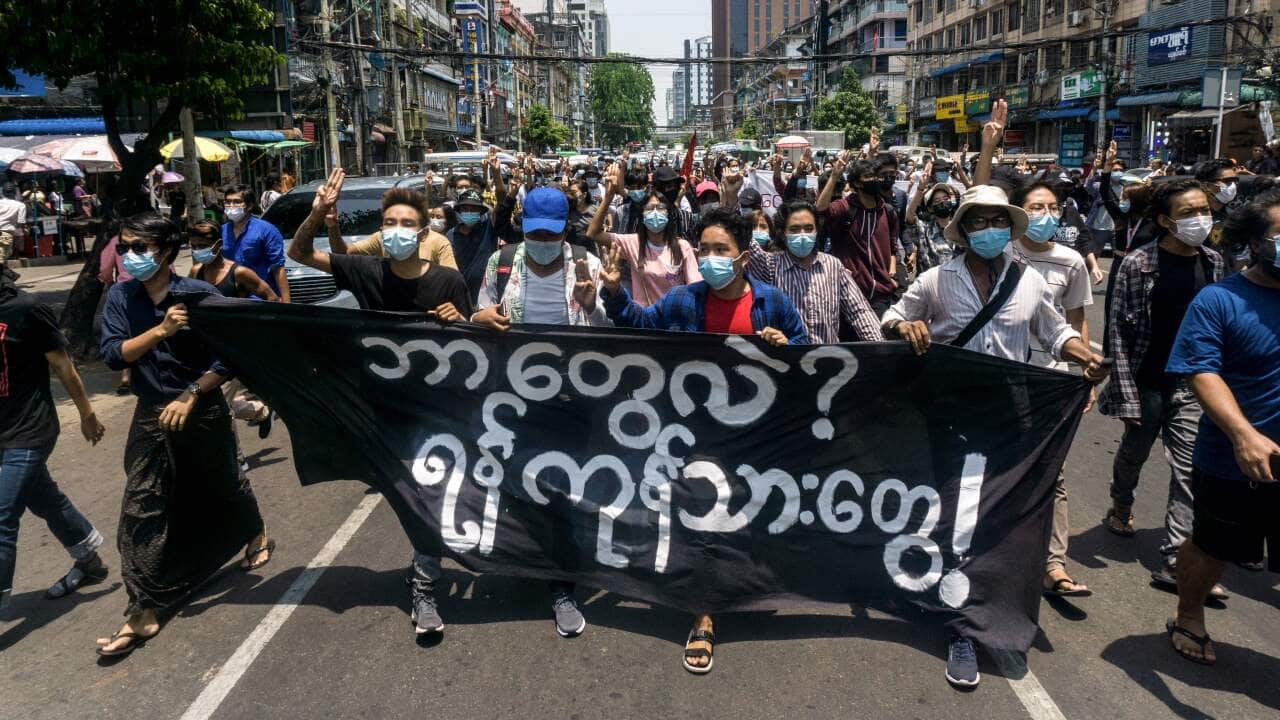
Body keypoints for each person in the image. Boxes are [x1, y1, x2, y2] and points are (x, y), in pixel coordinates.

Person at [881, 184, 1109, 689]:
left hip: (1010, 417)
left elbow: (1055, 334)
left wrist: (1084, 356)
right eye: (979, 221)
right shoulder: (936, 280)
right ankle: (960, 625)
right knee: (958, 518)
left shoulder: (1030, 283)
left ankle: (992, 607)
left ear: (1011, 228)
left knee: (1002, 519)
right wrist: (906, 330)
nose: (990, 230)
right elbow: (892, 318)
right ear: (963, 230)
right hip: (949, 417)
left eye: (998, 221)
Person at [600, 206, 806, 674]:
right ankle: (704, 613)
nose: (712, 258)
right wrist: (613, 292)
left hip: (755, 433)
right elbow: (641, 325)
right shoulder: (682, 301)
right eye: (705, 250)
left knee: (743, 519)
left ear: (743, 256)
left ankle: (745, 588)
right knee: (699, 519)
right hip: (694, 433)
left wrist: (785, 347)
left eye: (722, 250)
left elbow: (804, 348)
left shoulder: (771, 302)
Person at [289, 169, 471, 638]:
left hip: (439, 413)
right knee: (416, 500)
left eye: (405, 223)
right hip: (383, 414)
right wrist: (316, 214)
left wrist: (461, 320)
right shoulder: (364, 269)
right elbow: (300, 253)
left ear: (423, 232)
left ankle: (425, 584)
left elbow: (473, 346)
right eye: (388, 221)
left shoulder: (448, 280)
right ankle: (426, 579)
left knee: (432, 499)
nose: (395, 230)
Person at [98, 213, 273, 657]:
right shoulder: (121, 297)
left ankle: (253, 533)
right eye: (124, 247)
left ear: (166, 252)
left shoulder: (200, 295)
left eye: (140, 248)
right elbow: (114, 356)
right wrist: (160, 331)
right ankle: (142, 609)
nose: (130, 256)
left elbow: (231, 357)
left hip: (202, 409)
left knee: (224, 484)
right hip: (150, 412)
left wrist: (192, 393)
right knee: (141, 505)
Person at [469, 186, 610, 638]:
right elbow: (480, 309)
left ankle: (562, 582)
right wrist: (481, 318)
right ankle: (526, 559)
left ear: (565, 230)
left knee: (564, 488)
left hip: (574, 397)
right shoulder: (501, 261)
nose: (544, 242)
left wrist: (594, 305)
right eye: (536, 233)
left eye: (552, 234)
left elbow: (610, 329)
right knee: (520, 483)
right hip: (516, 394)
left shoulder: (585, 262)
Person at [1162, 189, 1280, 665]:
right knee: (1214, 547)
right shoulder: (1219, 300)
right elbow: (1201, 370)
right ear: (1254, 242)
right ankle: (1189, 613)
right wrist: (1243, 434)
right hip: (1237, 462)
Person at [1097, 178, 1228, 599]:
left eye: (1203, 210)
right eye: (1188, 213)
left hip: (1192, 386)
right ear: (1164, 220)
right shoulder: (1137, 265)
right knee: (1134, 454)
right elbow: (1115, 331)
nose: (1200, 220)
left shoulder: (1214, 263)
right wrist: (1125, 393)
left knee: (1189, 471)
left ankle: (1176, 557)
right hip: (1146, 380)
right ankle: (1121, 504)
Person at [0, 261, 108, 612]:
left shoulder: (25, 309)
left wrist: (87, 414)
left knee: (2, 517)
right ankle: (89, 561)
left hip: (30, 428)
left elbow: (63, 366)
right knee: (43, 499)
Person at [1009, 179, 1096, 598]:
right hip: (1003, 375)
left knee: (1052, 471)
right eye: (1035, 207)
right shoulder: (1003, 253)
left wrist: (1082, 373)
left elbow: (1075, 322)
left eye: (1052, 207)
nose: (1045, 214)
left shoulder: (1071, 262)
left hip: (1052, 379)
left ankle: (1053, 564)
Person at [187, 220, 280, 436]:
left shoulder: (240, 273)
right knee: (213, 401)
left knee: (217, 406)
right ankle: (258, 411)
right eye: (193, 245)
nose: (197, 250)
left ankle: (235, 461)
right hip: (206, 348)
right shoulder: (195, 272)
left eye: (202, 245)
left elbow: (271, 298)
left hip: (234, 351)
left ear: (218, 245)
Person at [746, 200, 882, 344]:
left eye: (809, 228)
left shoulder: (833, 265)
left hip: (826, 359)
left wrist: (880, 349)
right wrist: (729, 200)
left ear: (816, 231)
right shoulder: (769, 264)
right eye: (795, 229)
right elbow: (741, 237)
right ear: (783, 233)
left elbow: (859, 311)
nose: (803, 234)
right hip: (784, 359)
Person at [586, 165, 698, 307]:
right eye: (650, 209)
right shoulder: (633, 243)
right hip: (643, 320)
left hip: (674, 320)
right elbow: (593, 233)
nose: (655, 213)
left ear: (668, 214)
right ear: (642, 215)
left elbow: (695, 288)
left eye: (661, 208)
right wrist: (608, 197)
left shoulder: (683, 247)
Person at [817, 157, 898, 315]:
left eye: (877, 176)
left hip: (881, 295)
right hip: (850, 293)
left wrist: (891, 274)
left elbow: (893, 246)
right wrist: (834, 176)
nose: (875, 180)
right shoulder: (845, 208)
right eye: (869, 176)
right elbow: (821, 208)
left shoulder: (887, 211)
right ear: (857, 183)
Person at [220, 184, 290, 302]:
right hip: (229, 299)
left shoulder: (266, 230)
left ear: (249, 206)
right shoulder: (221, 231)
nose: (231, 206)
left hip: (262, 298)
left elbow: (278, 267)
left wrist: (287, 302)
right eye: (227, 202)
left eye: (237, 202)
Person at [0, 184, 26, 265]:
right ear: (15, 193)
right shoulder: (20, 205)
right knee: (1, 259)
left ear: (3, 192)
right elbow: (21, 222)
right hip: (6, 233)